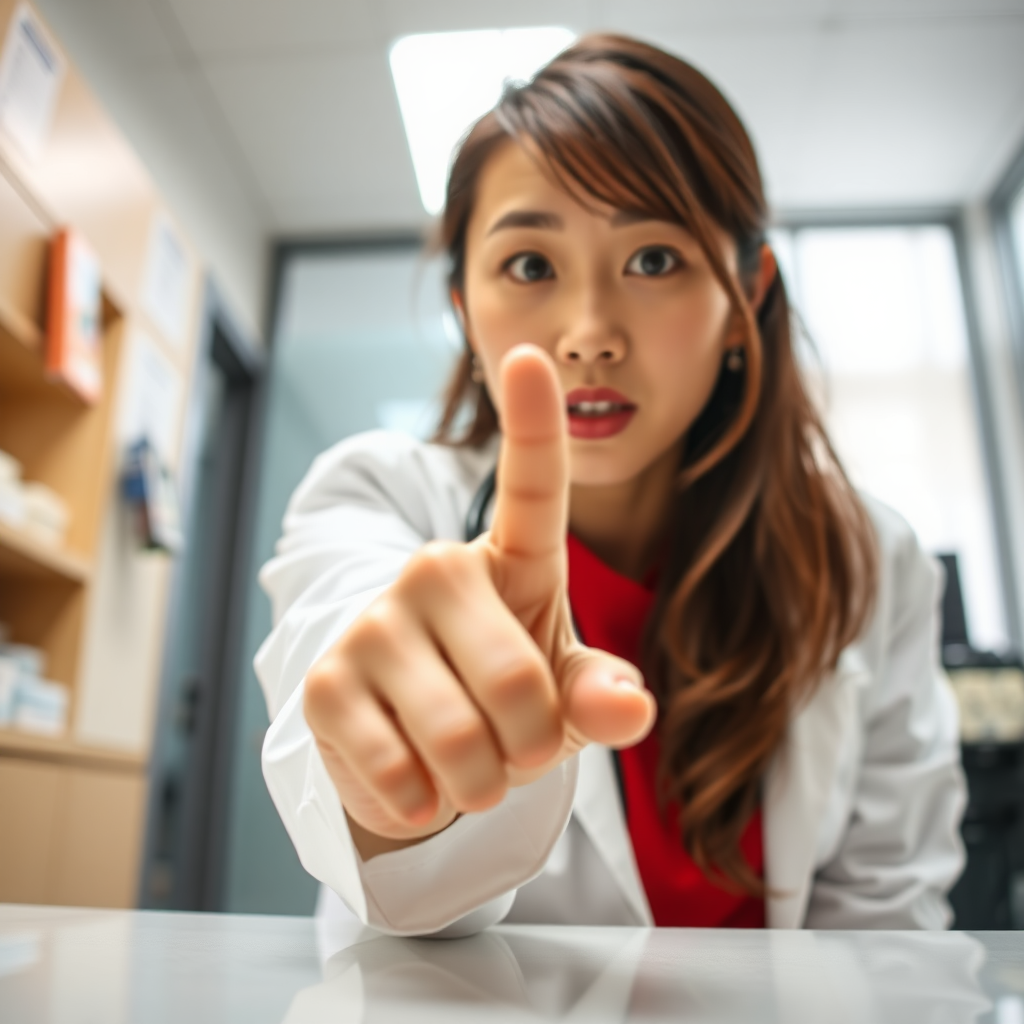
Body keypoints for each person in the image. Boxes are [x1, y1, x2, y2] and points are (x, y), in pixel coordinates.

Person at [255, 34, 966, 936]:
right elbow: (343, 622)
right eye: (530, 265)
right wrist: (387, 775)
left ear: (747, 296)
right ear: (463, 309)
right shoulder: (379, 496)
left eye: (655, 259)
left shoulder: (873, 559)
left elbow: (887, 911)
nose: (589, 333)